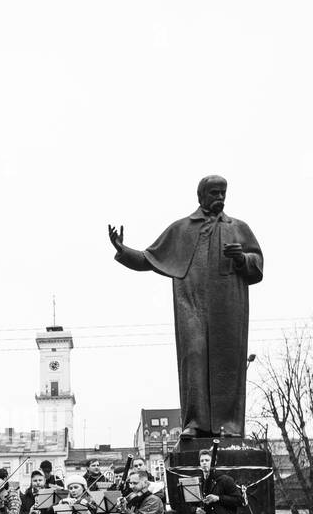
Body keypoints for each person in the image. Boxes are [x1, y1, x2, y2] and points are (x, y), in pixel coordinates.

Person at [109, 175, 263, 439]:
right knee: (193, 357)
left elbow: (257, 264)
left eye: (223, 193)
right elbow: (149, 258)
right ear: (201, 196)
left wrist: (242, 258)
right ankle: (196, 422)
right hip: (192, 305)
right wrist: (122, 250)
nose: (219, 198)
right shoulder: (182, 229)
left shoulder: (239, 228)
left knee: (228, 363)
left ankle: (229, 425)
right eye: (214, 193)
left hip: (228, 308)